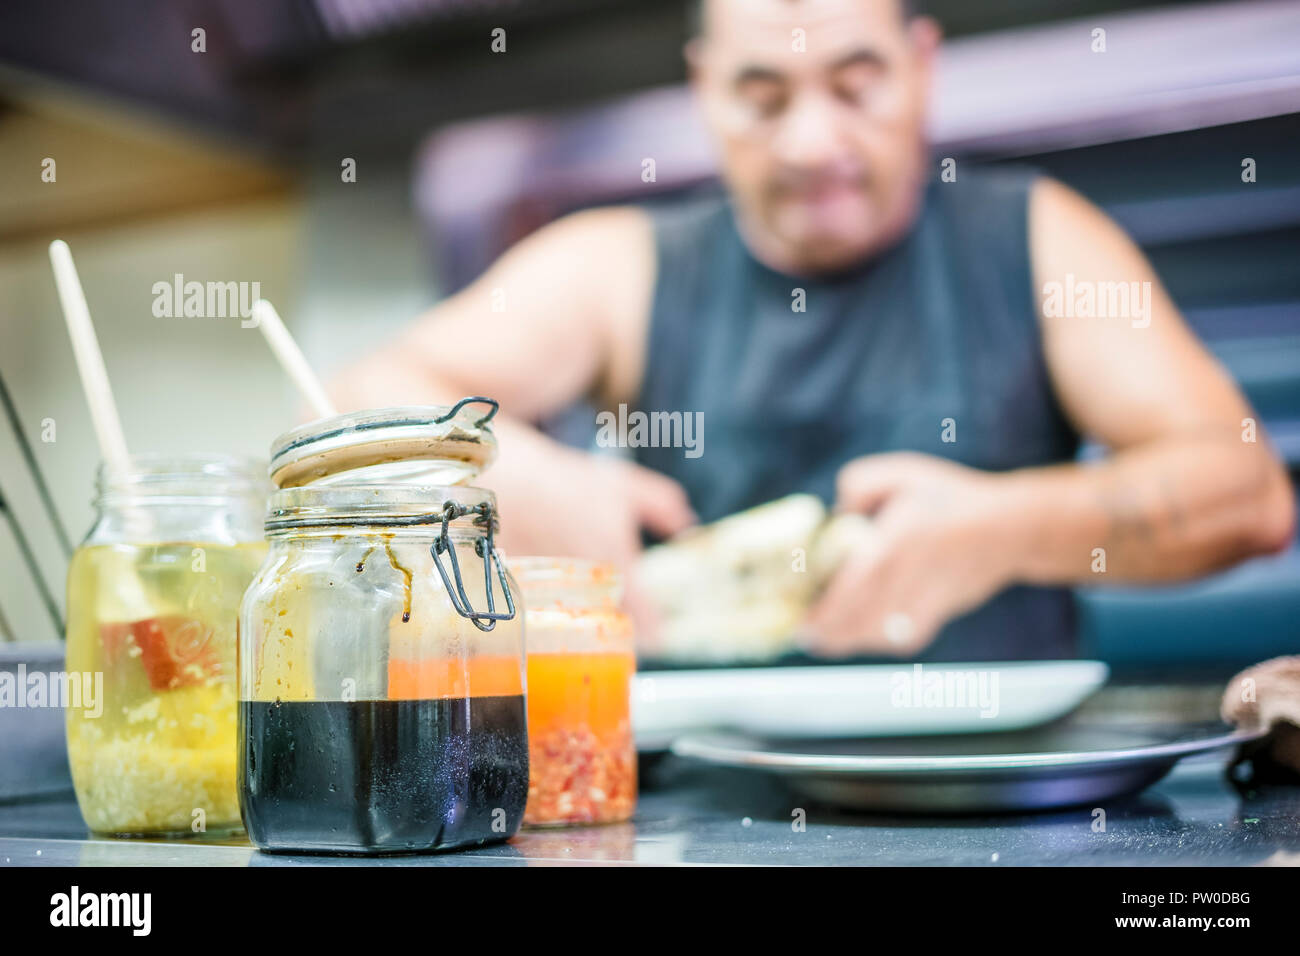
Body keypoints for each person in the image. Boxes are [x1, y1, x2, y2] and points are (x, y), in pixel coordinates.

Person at [330, 0, 1294, 661]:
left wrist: (1007, 529)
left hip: (997, 798)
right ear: (705, 88)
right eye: (762, 95)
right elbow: (348, 400)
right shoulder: (616, 264)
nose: (810, 144)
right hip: (690, 807)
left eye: (856, 81)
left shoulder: (1040, 238)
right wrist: (519, 478)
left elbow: (1246, 494)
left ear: (921, 67)